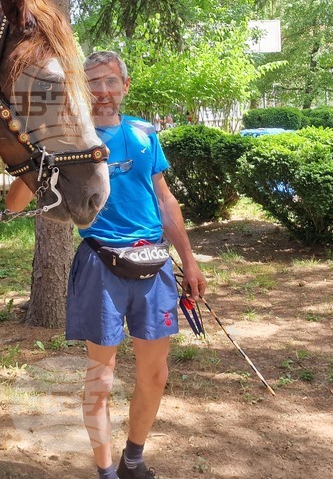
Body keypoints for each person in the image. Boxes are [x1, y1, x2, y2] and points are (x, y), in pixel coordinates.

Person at [71, 50, 207, 479]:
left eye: (111, 81)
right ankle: (106, 471)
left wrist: (189, 260)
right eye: (93, 82)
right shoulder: (73, 138)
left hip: (154, 262)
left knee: (155, 372)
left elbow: (164, 198)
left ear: (125, 86)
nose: (103, 91)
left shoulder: (146, 132)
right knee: (102, 374)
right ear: (82, 87)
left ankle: (133, 458)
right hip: (101, 262)